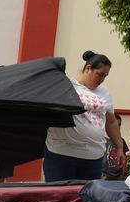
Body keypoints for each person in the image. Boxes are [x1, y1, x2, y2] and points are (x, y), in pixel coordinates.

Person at [43, 51, 123, 181]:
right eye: (99, 74)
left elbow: (111, 122)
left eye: (105, 76)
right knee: (60, 197)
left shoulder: (104, 92)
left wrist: (119, 147)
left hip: (93, 157)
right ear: (88, 68)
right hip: (62, 153)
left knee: (87, 198)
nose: (101, 80)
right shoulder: (66, 85)